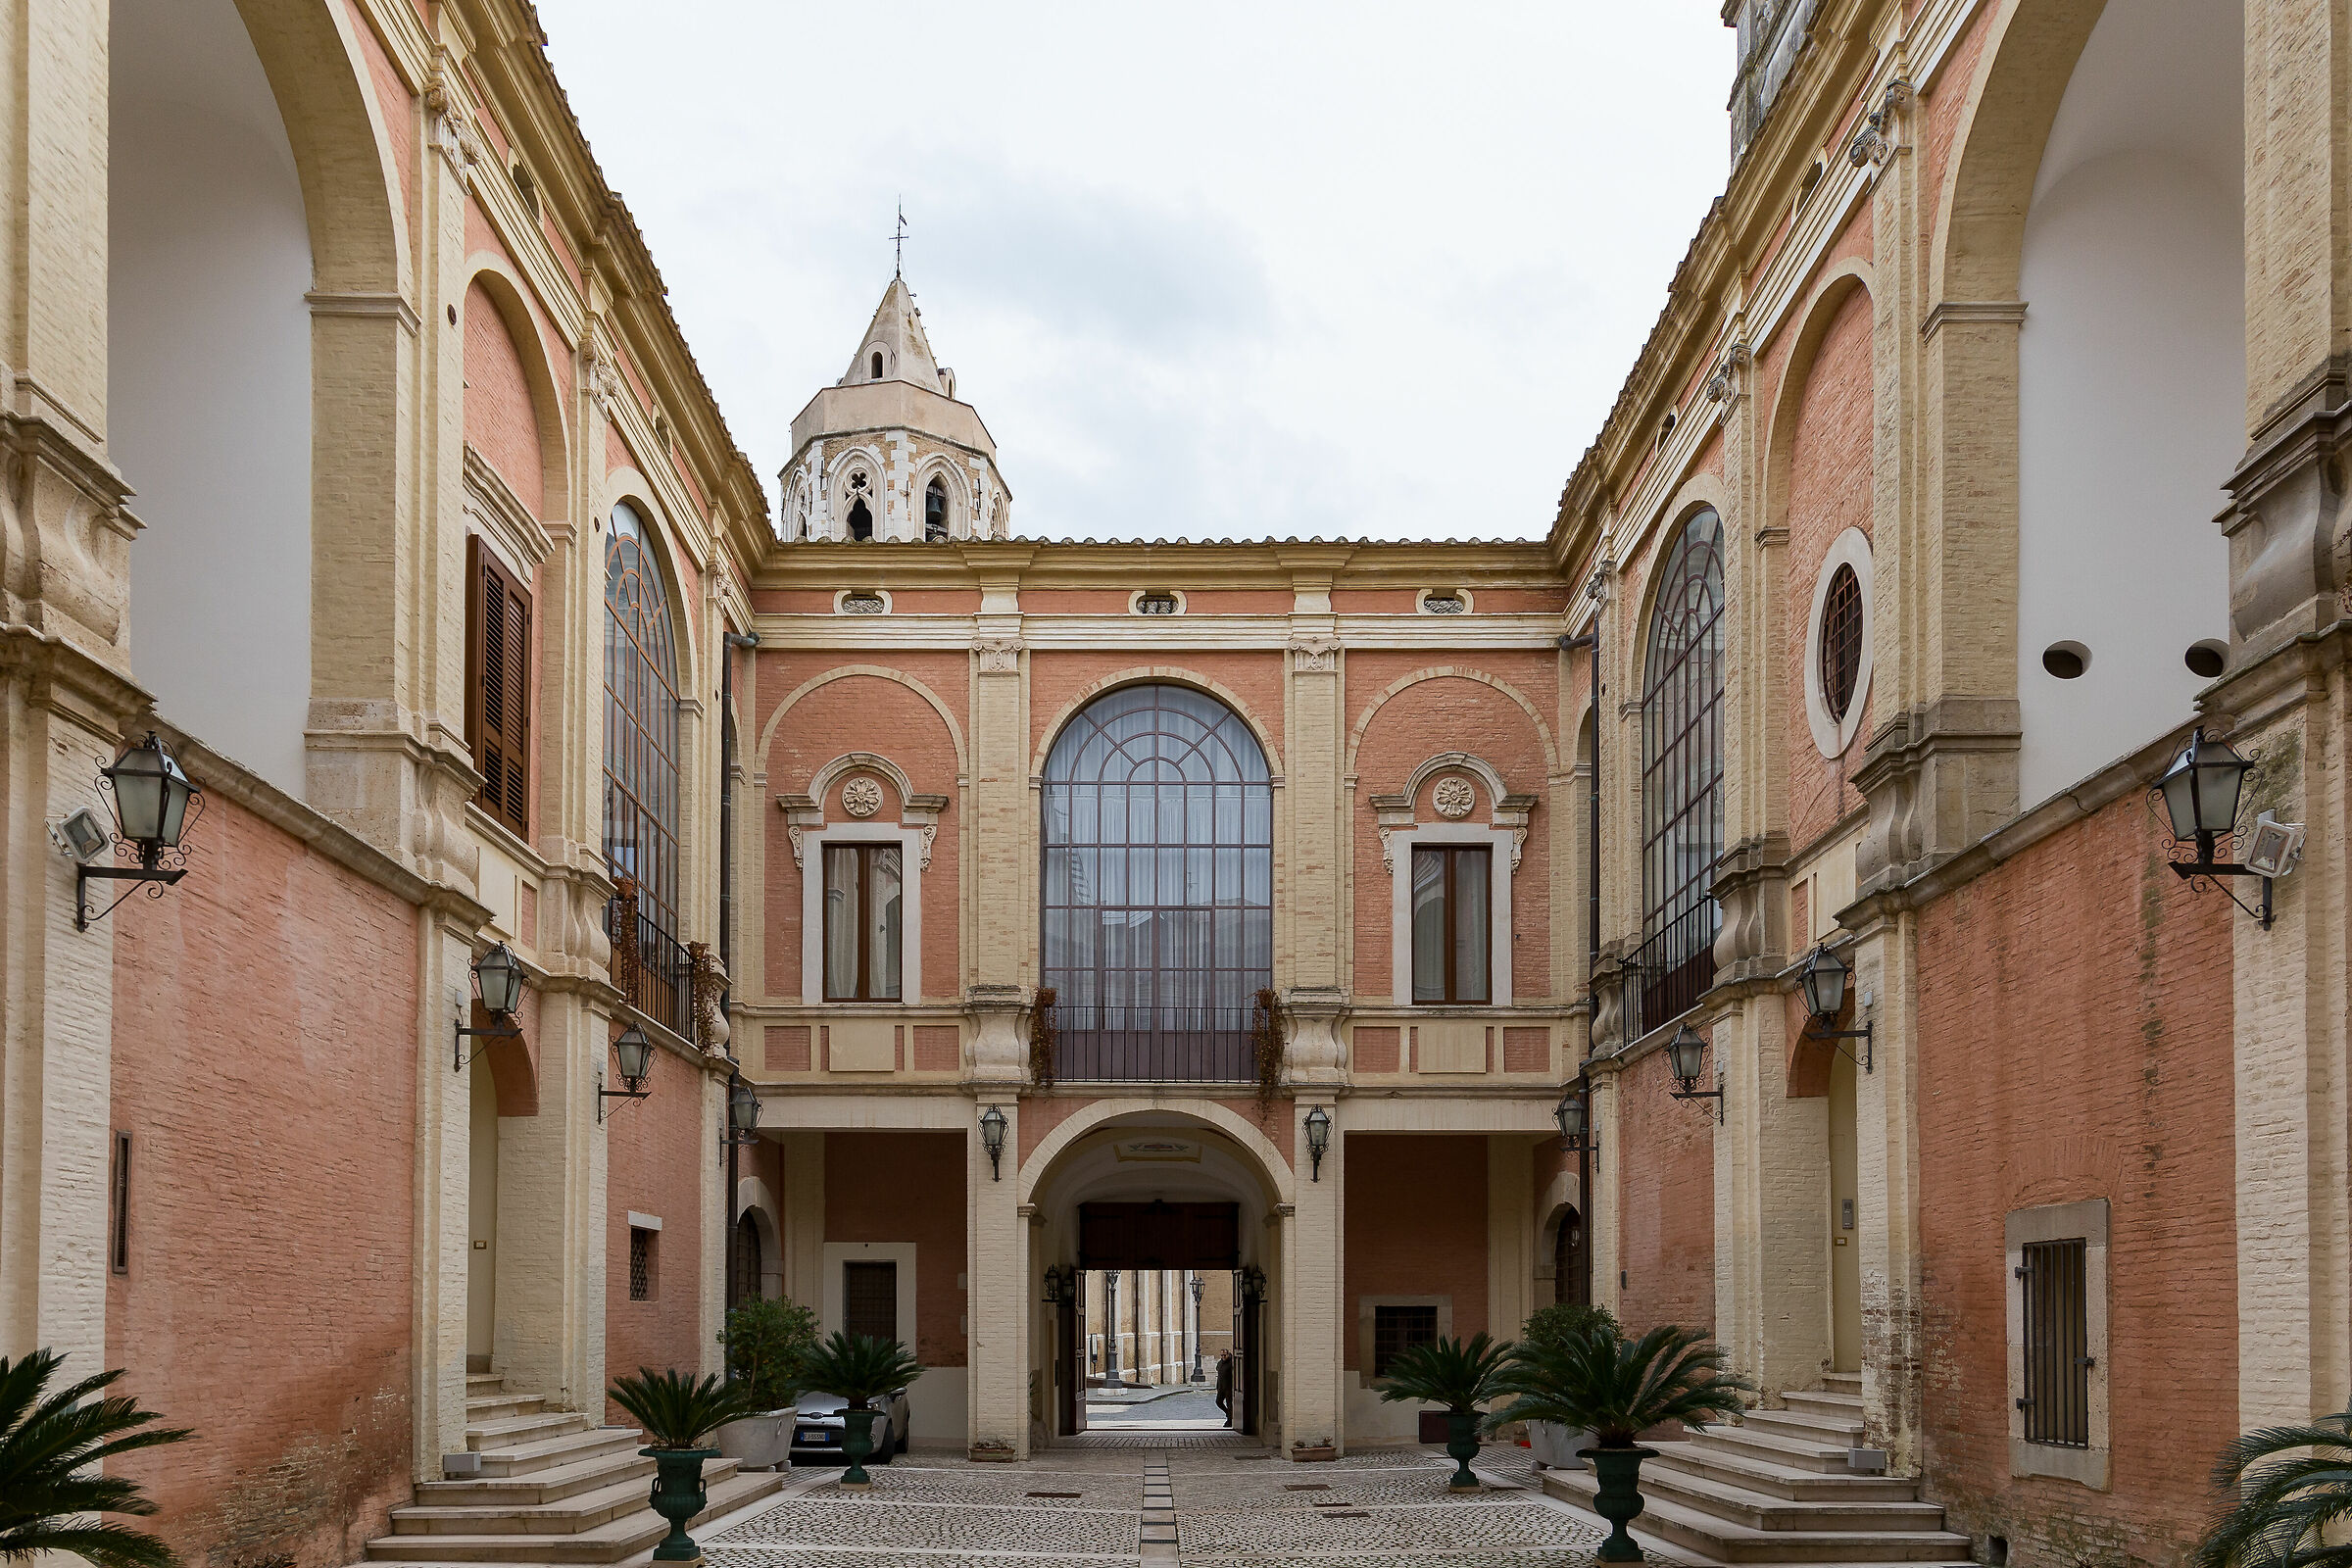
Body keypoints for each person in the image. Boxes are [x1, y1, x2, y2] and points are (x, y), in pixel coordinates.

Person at [1214, 1350, 1234, 1426]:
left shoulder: (1231, 1363)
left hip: (1229, 1387)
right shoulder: (1220, 1363)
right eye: (1221, 1355)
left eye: (1224, 1355)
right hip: (1221, 1387)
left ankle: (1229, 1421)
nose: (1223, 1357)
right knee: (1218, 1402)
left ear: (1228, 1354)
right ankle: (1228, 1414)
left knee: (1229, 1404)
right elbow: (1219, 1374)